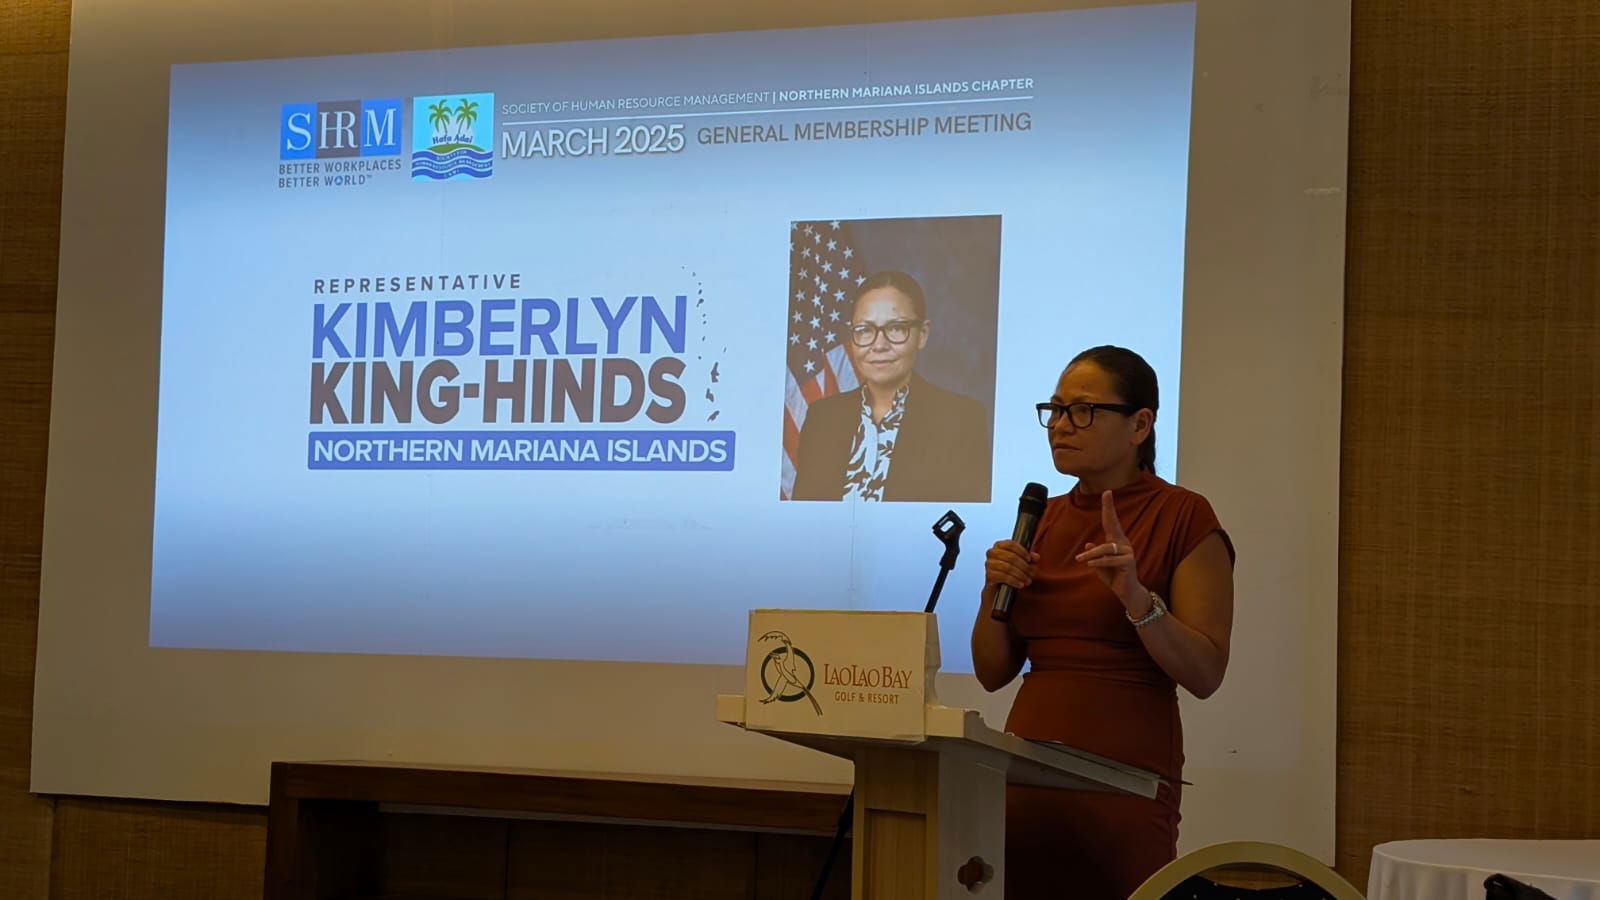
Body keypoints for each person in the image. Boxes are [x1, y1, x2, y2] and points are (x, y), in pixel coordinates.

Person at [969, 345, 1235, 900]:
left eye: (1083, 410)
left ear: (1141, 424)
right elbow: (992, 671)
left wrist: (1137, 598)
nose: (1061, 426)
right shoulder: (1041, 519)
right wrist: (994, 587)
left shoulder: (1184, 516)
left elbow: (1206, 673)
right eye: (1056, 409)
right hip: (1027, 775)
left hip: (1124, 778)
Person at [791, 270, 990, 502]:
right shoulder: (822, 417)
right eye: (865, 330)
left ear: (922, 334)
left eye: (896, 328)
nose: (879, 345)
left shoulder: (960, 418)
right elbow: (804, 515)